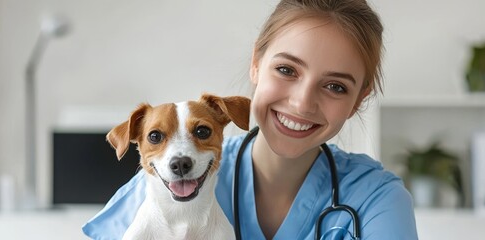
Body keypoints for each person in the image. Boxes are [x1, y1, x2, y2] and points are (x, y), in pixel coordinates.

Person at [83, 0, 418, 239]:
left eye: (335, 86)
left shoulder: (377, 199)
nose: (302, 103)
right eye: (286, 70)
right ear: (256, 62)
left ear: (360, 98)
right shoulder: (163, 183)